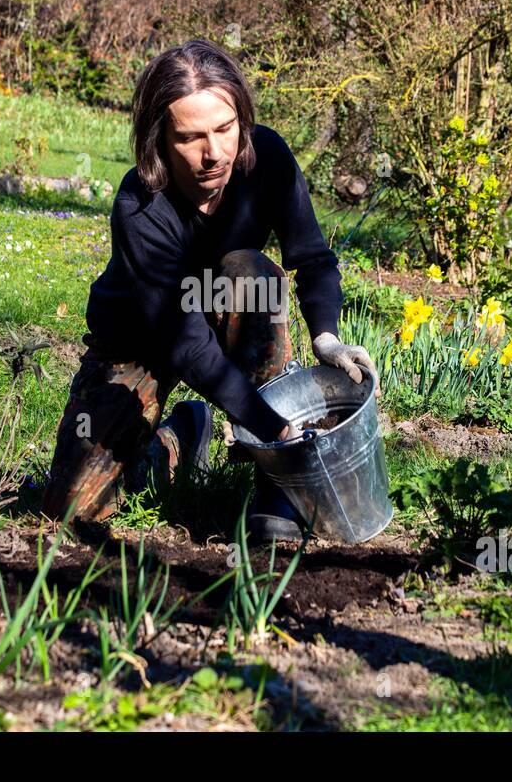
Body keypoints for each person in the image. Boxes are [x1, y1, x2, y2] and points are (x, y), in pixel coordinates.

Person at [41, 38, 377, 540]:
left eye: (225, 129)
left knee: (250, 273)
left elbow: (312, 259)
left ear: (242, 117)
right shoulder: (140, 205)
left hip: (230, 314)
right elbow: (184, 342)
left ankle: (277, 487)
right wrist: (276, 426)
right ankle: (181, 438)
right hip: (139, 342)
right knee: (71, 509)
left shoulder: (270, 161)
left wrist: (326, 337)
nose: (214, 153)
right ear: (160, 140)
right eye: (191, 137)